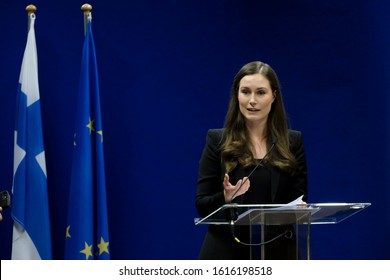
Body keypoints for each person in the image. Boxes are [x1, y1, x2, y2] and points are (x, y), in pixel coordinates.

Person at [195, 61, 308, 259]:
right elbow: (202, 204)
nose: (252, 100)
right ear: (236, 95)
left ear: (274, 96)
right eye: (245, 92)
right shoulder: (217, 140)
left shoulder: (292, 142)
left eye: (260, 93)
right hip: (226, 251)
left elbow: (299, 201)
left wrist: (300, 209)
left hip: (279, 250)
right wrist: (226, 197)